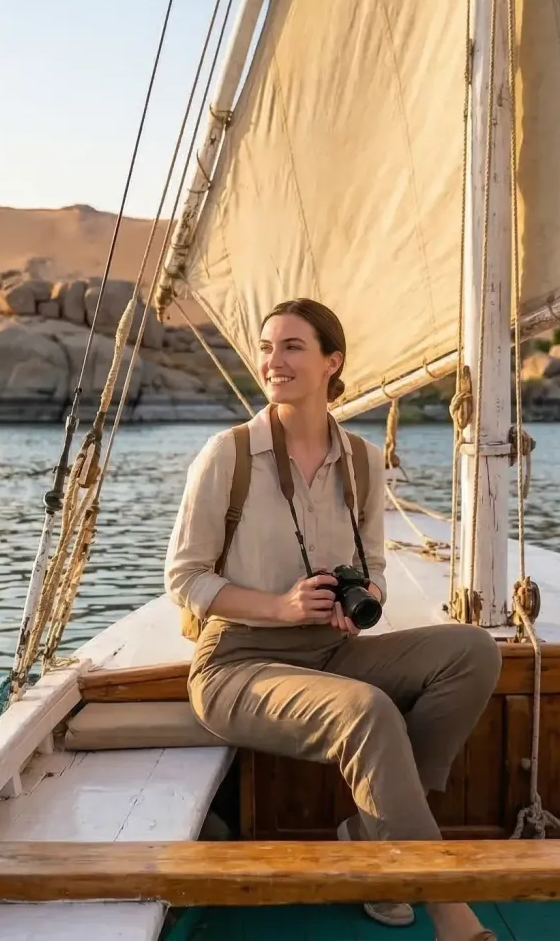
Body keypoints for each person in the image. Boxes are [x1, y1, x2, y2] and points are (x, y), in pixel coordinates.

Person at [165, 298, 502, 941]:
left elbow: (373, 561)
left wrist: (362, 595)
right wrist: (280, 606)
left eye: (292, 346)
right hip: (238, 660)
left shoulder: (363, 461)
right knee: (365, 710)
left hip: (331, 647)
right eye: (267, 347)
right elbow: (183, 579)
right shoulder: (228, 455)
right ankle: (451, 913)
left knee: (473, 650)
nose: (273, 360)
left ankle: (371, 831)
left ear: (331, 362)